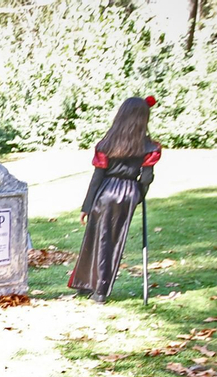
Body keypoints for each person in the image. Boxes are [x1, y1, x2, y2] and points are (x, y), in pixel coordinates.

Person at [69, 96, 162, 301]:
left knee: (95, 237)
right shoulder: (150, 147)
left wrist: (87, 206)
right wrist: (138, 196)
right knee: (113, 241)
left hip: (105, 191)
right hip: (129, 192)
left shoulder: (106, 144)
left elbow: (97, 177)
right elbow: (146, 178)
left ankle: (89, 286)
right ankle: (98, 290)